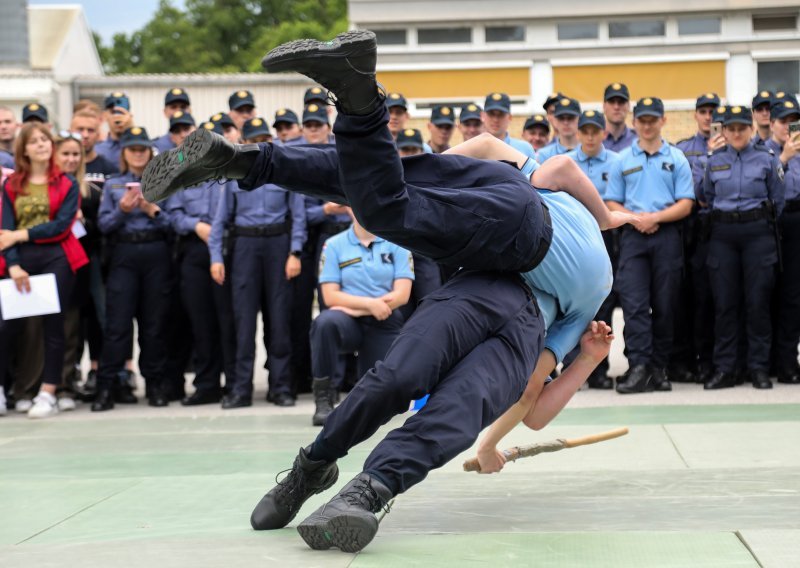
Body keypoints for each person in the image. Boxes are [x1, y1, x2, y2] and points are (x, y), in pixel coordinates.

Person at [141, 30, 633, 554]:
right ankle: (313, 465)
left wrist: (572, 374)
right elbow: (555, 166)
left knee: (446, 398)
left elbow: (531, 401)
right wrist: (605, 217)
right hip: (517, 223)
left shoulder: (581, 308)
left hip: (509, 294)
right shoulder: (584, 226)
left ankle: (365, 489)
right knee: (398, 360)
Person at [206, 117, 307, 409]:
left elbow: (297, 216)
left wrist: (295, 252)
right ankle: (240, 389)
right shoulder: (235, 176)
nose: (260, 144)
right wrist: (215, 257)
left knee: (279, 321)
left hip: (278, 245)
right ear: (245, 143)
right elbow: (220, 221)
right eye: (253, 139)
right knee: (244, 321)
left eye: (265, 138)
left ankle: (281, 387)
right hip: (246, 248)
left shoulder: (286, 172)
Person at [605, 97, 695, 394]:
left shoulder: (677, 158)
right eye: (642, 120)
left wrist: (655, 217)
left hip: (667, 236)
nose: (646, 125)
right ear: (635, 122)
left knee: (666, 304)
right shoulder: (622, 160)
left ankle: (659, 368)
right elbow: (611, 200)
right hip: (633, 238)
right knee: (634, 305)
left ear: (662, 121)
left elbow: (686, 203)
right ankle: (639, 366)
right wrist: (635, 219)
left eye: (652, 120)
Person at [0, 123, 88, 419]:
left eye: (45, 140)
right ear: (23, 148)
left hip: (56, 258)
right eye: (34, 141)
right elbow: (5, 230)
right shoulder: (10, 184)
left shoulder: (66, 183)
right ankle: (3, 389)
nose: (41, 145)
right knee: (7, 327)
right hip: (19, 262)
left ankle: (48, 392)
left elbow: (61, 226)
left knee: (54, 326)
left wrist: (21, 236)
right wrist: (13, 264)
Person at [701, 106, 784, 390]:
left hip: (757, 234)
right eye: (731, 128)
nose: (736, 133)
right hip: (723, 235)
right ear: (723, 131)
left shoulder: (767, 159)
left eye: (741, 128)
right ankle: (726, 368)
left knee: (757, 302)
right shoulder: (713, 161)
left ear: (750, 129)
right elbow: (707, 196)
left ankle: (758, 368)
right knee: (725, 303)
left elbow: (778, 198)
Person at [93, 127, 173, 411]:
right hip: (124, 255)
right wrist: (122, 211)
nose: (138, 153)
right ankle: (107, 387)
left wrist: (154, 211)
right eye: (133, 149)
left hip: (155, 254)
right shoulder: (114, 184)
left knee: (154, 326)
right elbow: (103, 225)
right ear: (124, 153)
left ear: (150, 152)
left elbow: (173, 225)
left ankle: (155, 386)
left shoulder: (164, 182)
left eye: (143, 149)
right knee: (117, 326)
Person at [310, 207, 414, 425]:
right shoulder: (334, 245)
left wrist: (368, 306)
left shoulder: (397, 242)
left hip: (384, 319)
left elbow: (402, 294)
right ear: (349, 209)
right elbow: (329, 296)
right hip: (347, 321)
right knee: (323, 323)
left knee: (377, 404)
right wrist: (367, 304)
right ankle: (324, 399)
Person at [671, 93, 726, 384]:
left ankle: (707, 360)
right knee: (683, 295)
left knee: (709, 298)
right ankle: (681, 360)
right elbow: (686, 188)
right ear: (695, 115)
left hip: (716, 227)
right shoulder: (682, 149)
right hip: (686, 225)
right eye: (703, 111)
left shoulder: (731, 147)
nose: (708, 117)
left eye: (713, 111)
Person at [565, 110, 621, 388]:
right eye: (584, 131)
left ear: (603, 133)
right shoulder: (565, 162)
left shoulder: (617, 162)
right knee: (572, 300)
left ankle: (598, 370)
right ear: (578, 133)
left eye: (594, 131)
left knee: (603, 300)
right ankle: (570, 364)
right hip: (573, 239)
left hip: (606, 238)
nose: (589, 136)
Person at [766, 98, 800, 385]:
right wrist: (784, 159)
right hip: (773, 222)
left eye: (794, 120)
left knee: (793, 296)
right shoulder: (763, 151)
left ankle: (789, 361)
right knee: (769, 294)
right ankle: (769, 360)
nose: (789, 127)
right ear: (772, 124)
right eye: (783, 121)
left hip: (798, 220)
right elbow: (766, 184)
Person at [482, 92, 536, 158]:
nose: (495, 119)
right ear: (483, 116)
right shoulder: (473, 147)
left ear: (510, 117)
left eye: (501, 114)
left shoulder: (525, 149)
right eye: (491, 114)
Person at [536, 97, 581, 162]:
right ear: (555, 121)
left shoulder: (591, 151)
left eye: (570, 118)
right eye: (561, 118)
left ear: (579, 119)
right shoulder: (544, 155)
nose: (566, 122)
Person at [96, 92, 134, 166]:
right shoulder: (97, 150)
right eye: (113, 112)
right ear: (105, 115)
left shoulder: (142, 149)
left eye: (121, 113)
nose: (117, 117)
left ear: (130, 116)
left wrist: (131, 132)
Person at [153, 88, 192, 153]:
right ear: (165, 112)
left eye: (183, 107)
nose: (179, 111)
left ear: (190, 110)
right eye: (173, 107)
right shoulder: (158, 146)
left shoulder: (204, 140)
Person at [602, 83, 636, 152]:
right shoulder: (593, 140)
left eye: (621, 102)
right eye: (612, 102)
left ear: (628, 106)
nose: (616, 107)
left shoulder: (638, 140)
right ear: (604, 106)